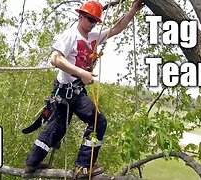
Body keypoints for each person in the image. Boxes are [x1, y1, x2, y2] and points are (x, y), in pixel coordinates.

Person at [24, 0, 143, 178]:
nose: (91, 23)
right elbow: (55, 59)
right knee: (80, 124)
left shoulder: (93, 37)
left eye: (94, 21)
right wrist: (82, 73)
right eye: (89, 19)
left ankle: (45, 163)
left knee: (76, 124)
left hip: (75, 91)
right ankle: (67, 165)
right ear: (80, 16)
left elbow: (117, 29)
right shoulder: (70, 35)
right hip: (66, 91)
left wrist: (133, 9)